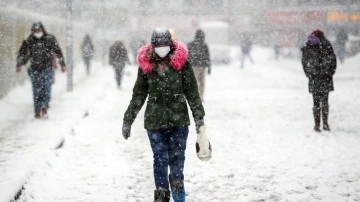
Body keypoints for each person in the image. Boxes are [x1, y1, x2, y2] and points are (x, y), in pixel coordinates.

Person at [122, 27, 206, 202]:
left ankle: (178, 191)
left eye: (165, 44)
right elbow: (138, 95)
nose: (162, 47)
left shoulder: (182, 64)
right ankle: (161, 196)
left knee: (177, 159)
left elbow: (192, 92)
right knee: (160, 159)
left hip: (179, 121)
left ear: (171, 44)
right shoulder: (146, 67)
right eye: (158, 44)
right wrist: (128, 120)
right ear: (153, 45)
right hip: (154, 122)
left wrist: (199, 118)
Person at [16, 22, 66, 119]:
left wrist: (62, 64)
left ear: (43, 30)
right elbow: (22, 53)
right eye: (35, 31)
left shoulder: (49, 39)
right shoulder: (29, 40)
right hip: (35, 69)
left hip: (47, 68)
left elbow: (58, 51)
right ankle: (37, 109)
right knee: (36, 90)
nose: (37, 33)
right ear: (32, 31)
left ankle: (44, 106)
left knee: (46, 88)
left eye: (39, 31)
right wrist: (19, 64)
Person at [301, 30, 337, 132]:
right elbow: (333, 60)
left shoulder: (308, 45)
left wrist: (309, 74)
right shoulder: (327, 45)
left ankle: (317, 125)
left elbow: (304, 62)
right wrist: (330, 72)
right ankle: (325, 123)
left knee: (316, 102)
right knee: (325, 100)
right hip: (326, 77)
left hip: (314, 78)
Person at [187, 29, 211, 101]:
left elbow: (187, 56)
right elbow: (207, 56)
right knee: (202, 82)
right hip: (202, 66)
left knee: (195, 82)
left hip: (193, 66)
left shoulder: (190, 44)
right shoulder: (204, 45)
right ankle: (200, 97)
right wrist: (209, 67)